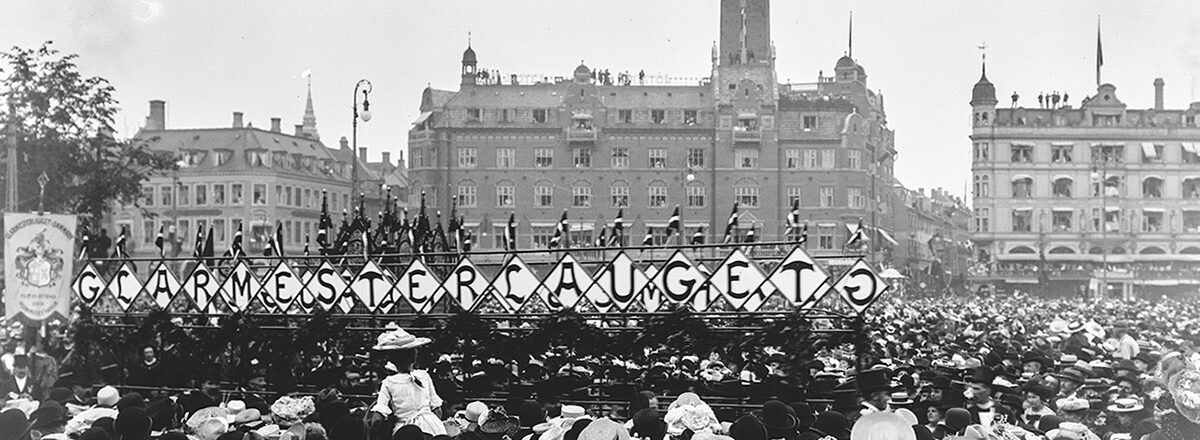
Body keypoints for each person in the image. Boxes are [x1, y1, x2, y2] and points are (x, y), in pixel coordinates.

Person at [368, 325, 446, 436]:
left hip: (405, 430)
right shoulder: (424, 376)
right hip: (433, 427)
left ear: (392, 360)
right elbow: (437, 409)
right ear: (414, 357)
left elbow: (378, 418)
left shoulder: (389, 382)